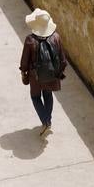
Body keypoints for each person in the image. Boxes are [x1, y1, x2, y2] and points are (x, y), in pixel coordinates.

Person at [19, 8, 66, 136]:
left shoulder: (30, 40)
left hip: (36, 76)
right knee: (48, 95)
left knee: (35, 97)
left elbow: (24, 61)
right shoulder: (56, 37)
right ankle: (48, 121)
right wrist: (58, 73)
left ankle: (45, 121)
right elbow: (63, 60)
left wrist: (24, 73)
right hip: (51, 74)